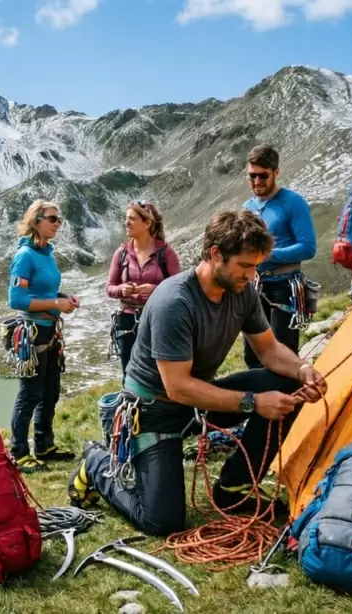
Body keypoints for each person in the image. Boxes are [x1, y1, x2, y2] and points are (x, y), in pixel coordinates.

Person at [67, 209, 328, 537]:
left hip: (193, 400)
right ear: (216, 254)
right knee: (161, 521)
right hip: (152, 411)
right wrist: (254, 402)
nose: (251, 276)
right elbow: (177, 388)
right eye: (245, 266)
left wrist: (303, 369)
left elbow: (268, 349)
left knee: (288, 384)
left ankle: (234, 489)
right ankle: (96, 463)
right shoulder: (174, 302)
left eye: (255, 266)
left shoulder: (242, 290)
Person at [6, 199, 80, 473]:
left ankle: (44, 445)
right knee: (30, 394)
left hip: (49, 331)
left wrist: (63, 300)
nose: (57, 224)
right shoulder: (25, 256)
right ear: (36, 221)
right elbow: (17, 298)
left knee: (50, 392)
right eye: (52, 219)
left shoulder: (47, 253)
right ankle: (19, 452)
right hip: (32, 333)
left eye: (59, 220)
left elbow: (43, 293)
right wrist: (56, 305)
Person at [240, 144, 317, 368]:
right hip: (255, 287)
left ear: (276, 172)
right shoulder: (247, 207)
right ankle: (258, 401)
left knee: (283, 352)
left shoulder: (293, 203)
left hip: (285, 288)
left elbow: (308, 247)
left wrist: (267, 255)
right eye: (251, 176)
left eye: (262, 176)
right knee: (252, 353)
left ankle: (288, 401)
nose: (256, 182)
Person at [105, 201, 182, 381]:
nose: (127, 223)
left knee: (158, 371)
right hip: (127, 320)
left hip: (158, 318)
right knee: (128, 372)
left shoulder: (166, 253)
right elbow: (110, 287)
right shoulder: (121, 253)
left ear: (147, 224)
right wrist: (122, 290)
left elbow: (179, 288)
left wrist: (156, 290)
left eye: (132, 219)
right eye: (126, 219)